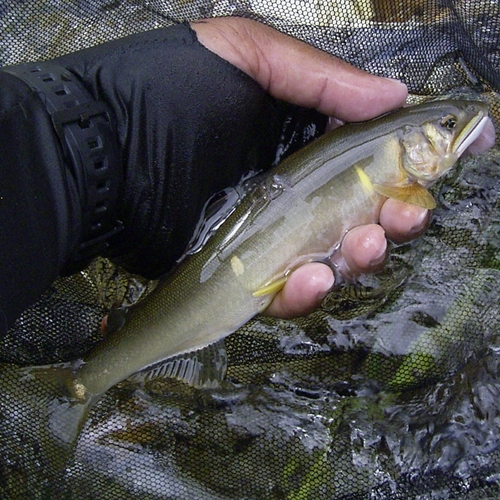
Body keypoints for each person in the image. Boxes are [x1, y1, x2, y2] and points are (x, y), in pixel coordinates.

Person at [0, 17, 494, 336]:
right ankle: (98, 375)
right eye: (445, 126)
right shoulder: (404, 175)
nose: (452, 129)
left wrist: (93, 145)